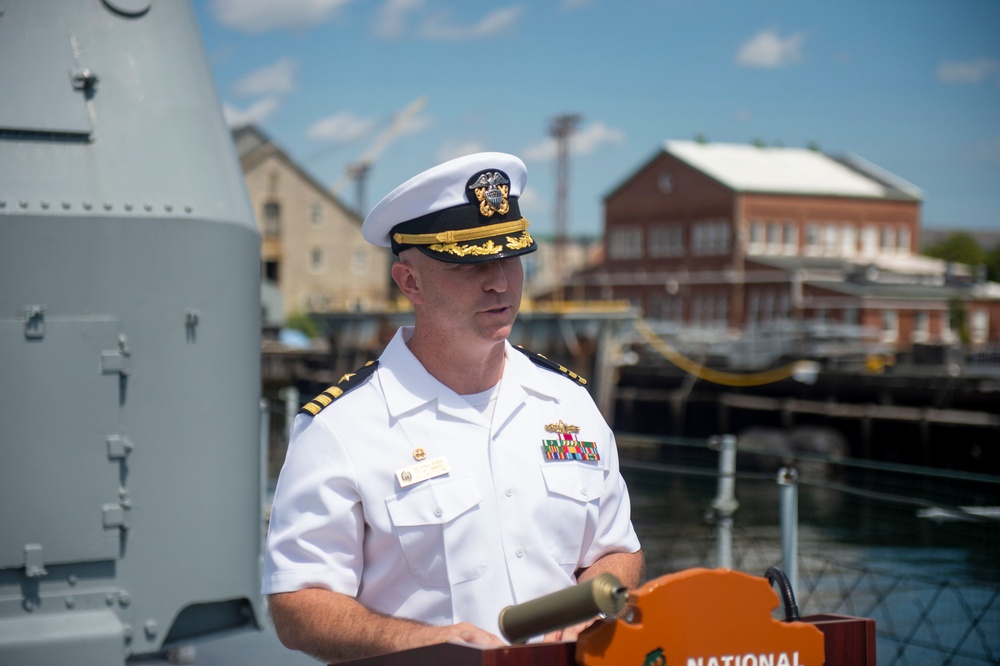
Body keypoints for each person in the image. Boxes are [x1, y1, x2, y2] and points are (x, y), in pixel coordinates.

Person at [263, 152, 643, 664]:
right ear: (409, 282)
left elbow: (617, 550)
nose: (500, 282)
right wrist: (424, 643)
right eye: (471, 263)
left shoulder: (570, 403)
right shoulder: (340, 429)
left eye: (510, 257)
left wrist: (590, 605)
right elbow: (298, 605)